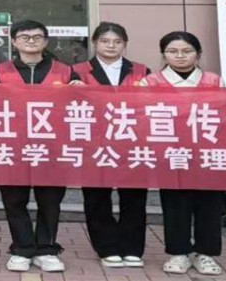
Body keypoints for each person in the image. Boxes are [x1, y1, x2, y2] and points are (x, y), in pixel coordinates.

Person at [0, 19, 82, 274]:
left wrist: (80, 89)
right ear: (14, 42)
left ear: (46, 41)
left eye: (37, 37)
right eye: (24, 37)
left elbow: (81, 104)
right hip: (11, 146)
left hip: (53, 147)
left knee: (50, 201)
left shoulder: (65, 71)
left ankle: (46, 249)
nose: (31, 41)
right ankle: (22, 248)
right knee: (14, 200)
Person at [140, 31, 225, 276]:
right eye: (172, 51)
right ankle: (178, 252)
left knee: (209, 203)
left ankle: (205, 253)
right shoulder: (151, 82)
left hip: (207, 152)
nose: (180, 56)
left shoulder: (214, 80)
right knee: (175, 203)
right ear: (164, 54)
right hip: (170, 152)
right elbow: (143, 116)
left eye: (187, 51)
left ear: (198, 54)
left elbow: (225, 114)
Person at [71, 22, 150, 268]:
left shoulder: (141, 71)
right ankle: (106, 247)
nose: (111, 46)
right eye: (105, 41)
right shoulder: (77, 71)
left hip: (132, 140)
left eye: (117, 42)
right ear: (95, 43)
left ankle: (132, 248)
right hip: (94, 141)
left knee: (134, 196)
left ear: (125, 44)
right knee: (97, 196)